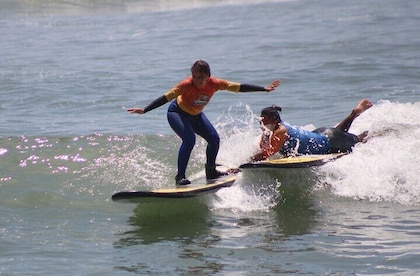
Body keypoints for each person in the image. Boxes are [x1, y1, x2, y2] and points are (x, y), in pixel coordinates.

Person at [128, 60, 280, 185]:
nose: (197, 80)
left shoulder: (215, 83)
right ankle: (180, 177)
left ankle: (211, 171)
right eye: (195, 76)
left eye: (201, 77)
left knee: (214, 139)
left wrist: (263, 89)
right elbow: (166, 97)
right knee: (189, 139)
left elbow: (238, 87)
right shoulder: (186, 85)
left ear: (208, 76)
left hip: (196, 115)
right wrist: (145, 109)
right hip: (177, 113)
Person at [251, 99, 373, 161]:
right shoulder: (274, 129)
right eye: (261, 119)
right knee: (338, 134)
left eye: (265, 119)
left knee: (360, 140)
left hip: (331, 140)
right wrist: (265, 134)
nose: (261, 122)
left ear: (274, 119)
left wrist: (244, 165)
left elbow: (268, 153)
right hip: (321, 134)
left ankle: (378, 133)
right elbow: (264, 148)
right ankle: (354, 114)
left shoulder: (280, 131)